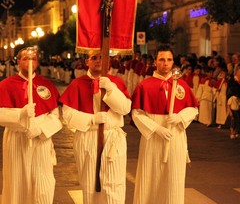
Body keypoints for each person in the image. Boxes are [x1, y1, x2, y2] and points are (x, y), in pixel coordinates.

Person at [59, 50, 131, 204]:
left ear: (109, 61)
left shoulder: (117, 83)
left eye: (102, 57)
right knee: (90, 184)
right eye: (94, 58)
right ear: (87, 62)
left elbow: (125, 109)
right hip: (88, 137)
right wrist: (92, 119)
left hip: (113, 137)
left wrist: (111, 89)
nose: (99, 61)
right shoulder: (77, 83)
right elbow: (67, 115)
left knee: (114, 185)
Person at [131, 45, 198, 204]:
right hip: (153, 138)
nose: (165, 63)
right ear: (155, 62)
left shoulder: (181, 85)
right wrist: (156, 128)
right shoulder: (144, 86)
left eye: (169, 59)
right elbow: (136, 114)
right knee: (150, 177)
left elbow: (193, 109)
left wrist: (180, 117)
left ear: (173, 62)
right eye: (161, 59)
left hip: (176, 135)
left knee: (174, 178)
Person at [0, 47, 62, 204]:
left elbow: (56, 116)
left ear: (37, 62)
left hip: (41, 139)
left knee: (43, 183)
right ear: (18, 61)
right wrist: (20, 115)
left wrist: (40, 129)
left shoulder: (46, 84)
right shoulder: (6, 84)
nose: (30, 62)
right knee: (17, 182)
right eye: (25, 58)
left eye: (33, 58)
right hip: (17, 137)